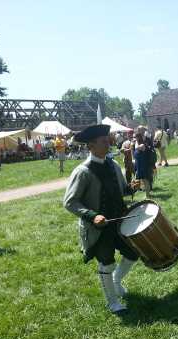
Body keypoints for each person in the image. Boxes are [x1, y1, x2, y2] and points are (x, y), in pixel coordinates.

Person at [63, 124, 138, 315]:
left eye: (108, 140)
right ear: (91, 146)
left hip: (119, 221)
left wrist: (131, 187)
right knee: (107, 262)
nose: (109, 144)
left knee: (132, 253)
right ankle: (112, 302)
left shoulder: (113, 165)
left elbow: (121, 190)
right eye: (104, 141)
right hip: (98, 228)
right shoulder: (83, 171)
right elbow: (70, 202)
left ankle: (116, 281)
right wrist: (92, 215)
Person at [134, 126, 156, 198]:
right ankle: (147, 191)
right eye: (139, 130)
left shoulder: (146, 139)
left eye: (140, 130)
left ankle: (148, 193)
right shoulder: (138, 141)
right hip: (140, 163)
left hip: (145, 162)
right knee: (144, 178)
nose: (139, 131)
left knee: (146, 177)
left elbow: (142, 147)